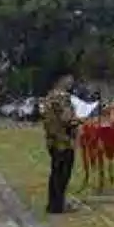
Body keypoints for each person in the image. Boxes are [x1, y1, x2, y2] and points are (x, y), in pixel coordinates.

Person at [43, 67, 79, 214]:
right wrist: (76, 119)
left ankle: (56, 203)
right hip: (62, 141)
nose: (72, 81)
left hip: (58, 140)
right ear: (61, 79)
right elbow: (65, 118)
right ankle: (57, 205)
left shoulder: (52, 97)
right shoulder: (59, 98)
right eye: (70, 78)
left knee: (57, 173)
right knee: (61, 174)